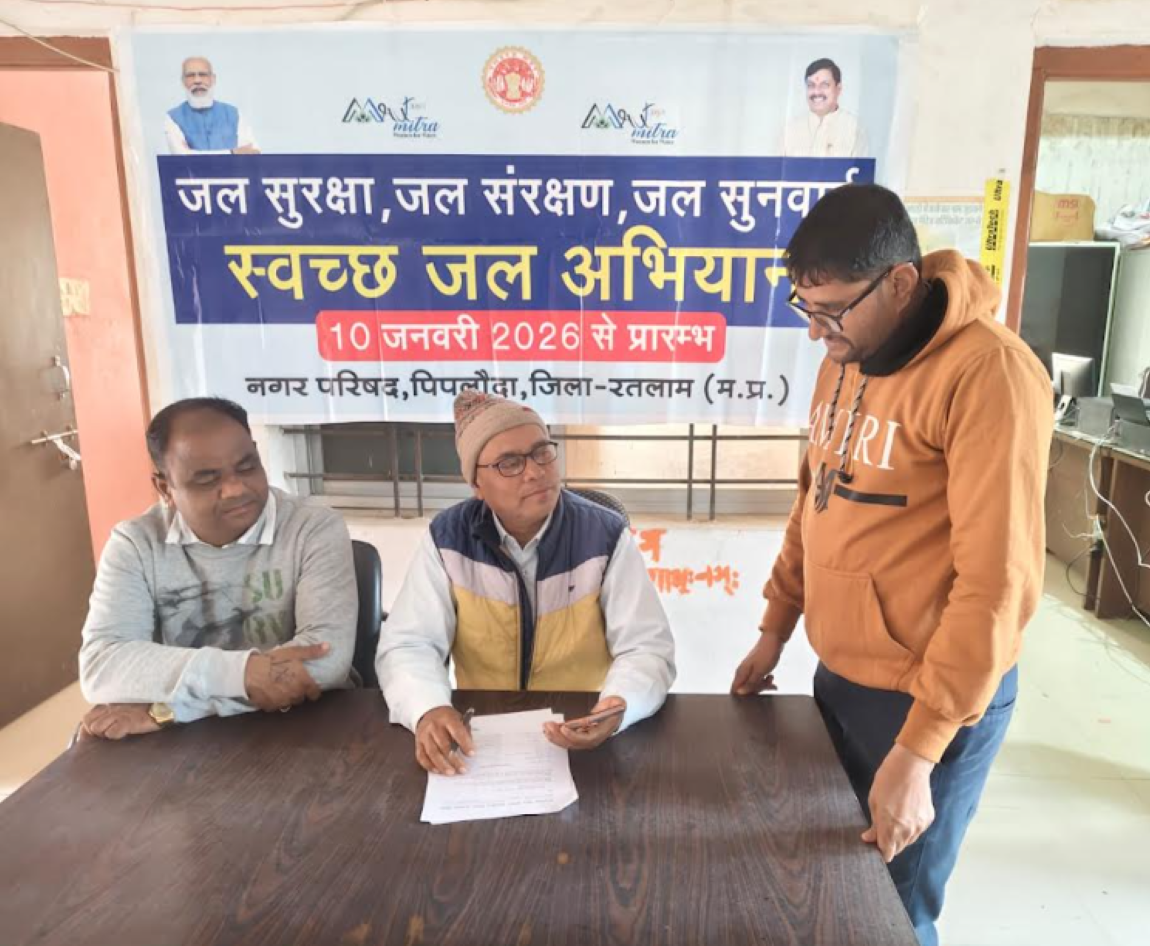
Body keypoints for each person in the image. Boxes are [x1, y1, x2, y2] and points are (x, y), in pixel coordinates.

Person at [731, 184, 1051, 945]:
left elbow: (996, 583)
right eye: (805, 308)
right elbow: (815, 503)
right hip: (842, 677)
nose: (816, 332)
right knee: (828, 890)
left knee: (889, 914)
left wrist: (919, 750)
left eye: (832, 310)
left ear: (900, 283)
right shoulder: (847, 357)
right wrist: (776, 627)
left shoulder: (989, 375)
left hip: (929, 697)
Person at [377, 389, 676, 775]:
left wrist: (618, 706)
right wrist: (428, 707)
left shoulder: (603, 535)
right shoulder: (449, 538)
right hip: (482, 735)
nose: (535, 471)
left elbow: (646, 647)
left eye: (541, 452)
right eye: (509, 463)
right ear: (476, 484)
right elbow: (409, 643)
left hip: (582, 726)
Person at [78, 397, 356, 739]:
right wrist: (243, 673)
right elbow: (102, 665)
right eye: (207, 480)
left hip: (306, 724)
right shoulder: (135, 544)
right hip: (185, 745)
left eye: (247, 466)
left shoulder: (313, 527)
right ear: (165, 488)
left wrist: (171, 710)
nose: (235, 489)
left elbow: (326, 662)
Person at [164, 57, 260, 155]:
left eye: (203, 74)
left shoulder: (234, 114)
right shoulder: (173, 118)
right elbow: (182, 156)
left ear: (213, 79)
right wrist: (232, 152)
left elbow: (252, 152)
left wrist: (194, 154)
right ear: (183, 81)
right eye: (190, 75)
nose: (197, 80)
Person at [781, 58, 869, 159]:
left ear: (838, 89)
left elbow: (860, 168)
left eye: (824, 85)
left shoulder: (854, 129)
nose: (817, 92)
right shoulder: (790, 130)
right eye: (811, 85)